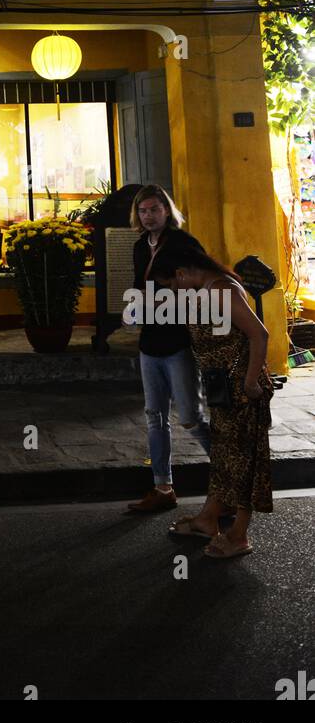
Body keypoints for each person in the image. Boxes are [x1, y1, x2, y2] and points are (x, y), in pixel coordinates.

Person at [150, 242, 272, 558]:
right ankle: (208, 518)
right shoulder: (206, 288)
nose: (174, 290)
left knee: (243, 461)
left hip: (241, 387)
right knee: (223, 457)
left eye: (172, 284)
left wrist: (249, 382)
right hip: (223, 388)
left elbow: (259, 335)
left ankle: (239, 535)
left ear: (181, 273)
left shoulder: (220, 290)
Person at [125, 184, 213, 514]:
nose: (148, 216)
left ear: (167, 210)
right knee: (154, 416)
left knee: (191, 416)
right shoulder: (138, 247)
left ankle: (230, 478)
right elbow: (138, 285)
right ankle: (163, 486)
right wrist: (133, 308)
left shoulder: (183, 243)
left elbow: (206, 282)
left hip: (179, 341)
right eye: (143, 211)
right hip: (150, 342)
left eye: (154, 209)